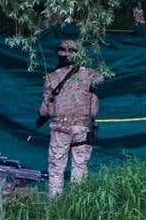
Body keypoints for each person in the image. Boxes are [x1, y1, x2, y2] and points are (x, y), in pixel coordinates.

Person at [38, 39, 103, 198]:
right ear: (77, 54)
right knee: (80, 166)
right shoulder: (89, 74)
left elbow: (46, 108)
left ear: (59, 55)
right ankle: (77, 203)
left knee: (56, 167)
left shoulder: (51, 77)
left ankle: (54, 202)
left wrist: (41, 118)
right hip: (82, 127)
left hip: (60, 128)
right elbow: (101, 77)